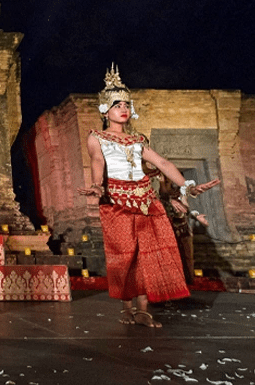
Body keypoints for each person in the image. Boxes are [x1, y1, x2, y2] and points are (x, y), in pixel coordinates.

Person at [78, 65, 220, 327]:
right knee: (124, 256)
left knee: (149, 254)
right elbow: (98, 161)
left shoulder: (137, 140)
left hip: (145, 200)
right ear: (104, 110)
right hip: (116, 202)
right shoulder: (96, 137)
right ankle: (126, 307)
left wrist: (188, 185)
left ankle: (143, 310)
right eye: (117, 104)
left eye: (127, 104)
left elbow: (164, 163)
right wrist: (97, 186)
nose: (124, 109)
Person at [154, 171, 208, 285]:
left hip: (182, 228)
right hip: (168, 229)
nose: (168, 181)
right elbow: (162, 195)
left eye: (169, 179)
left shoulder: (180, 193)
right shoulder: (160, 196)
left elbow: (186, 209)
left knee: (186, 255)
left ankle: (186, 281)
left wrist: (196, 216)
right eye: (166, 180)